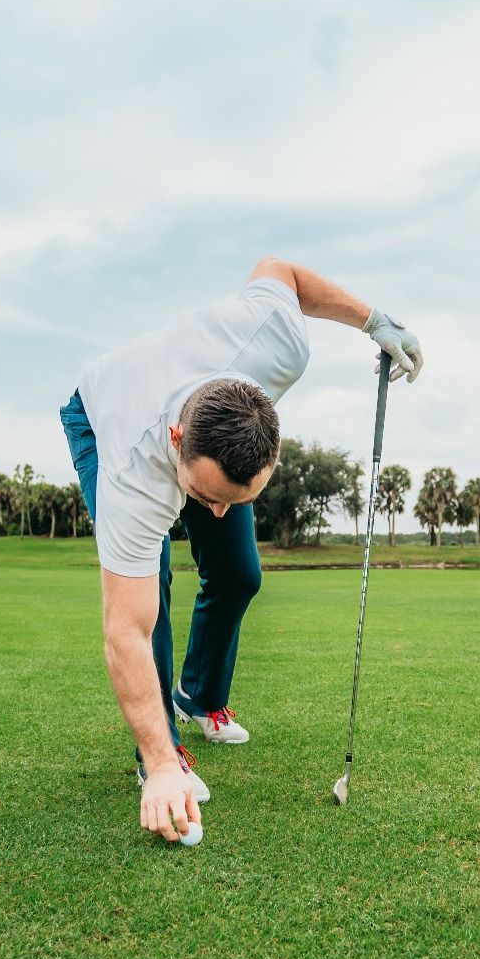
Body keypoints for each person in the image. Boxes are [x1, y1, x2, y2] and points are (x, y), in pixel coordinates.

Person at [59, 258, 425, 842]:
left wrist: (374, 320)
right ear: (178, 446)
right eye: (208, 497)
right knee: (147, 592)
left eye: (240, 497)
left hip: (206, 412)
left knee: (239, 572)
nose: (220, 511)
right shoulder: (135, 472)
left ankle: (199, 696)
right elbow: (123, 631)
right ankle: (162, 754)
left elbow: (281, 271)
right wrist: (158, 767)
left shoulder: (276, 344)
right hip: (101, 415)